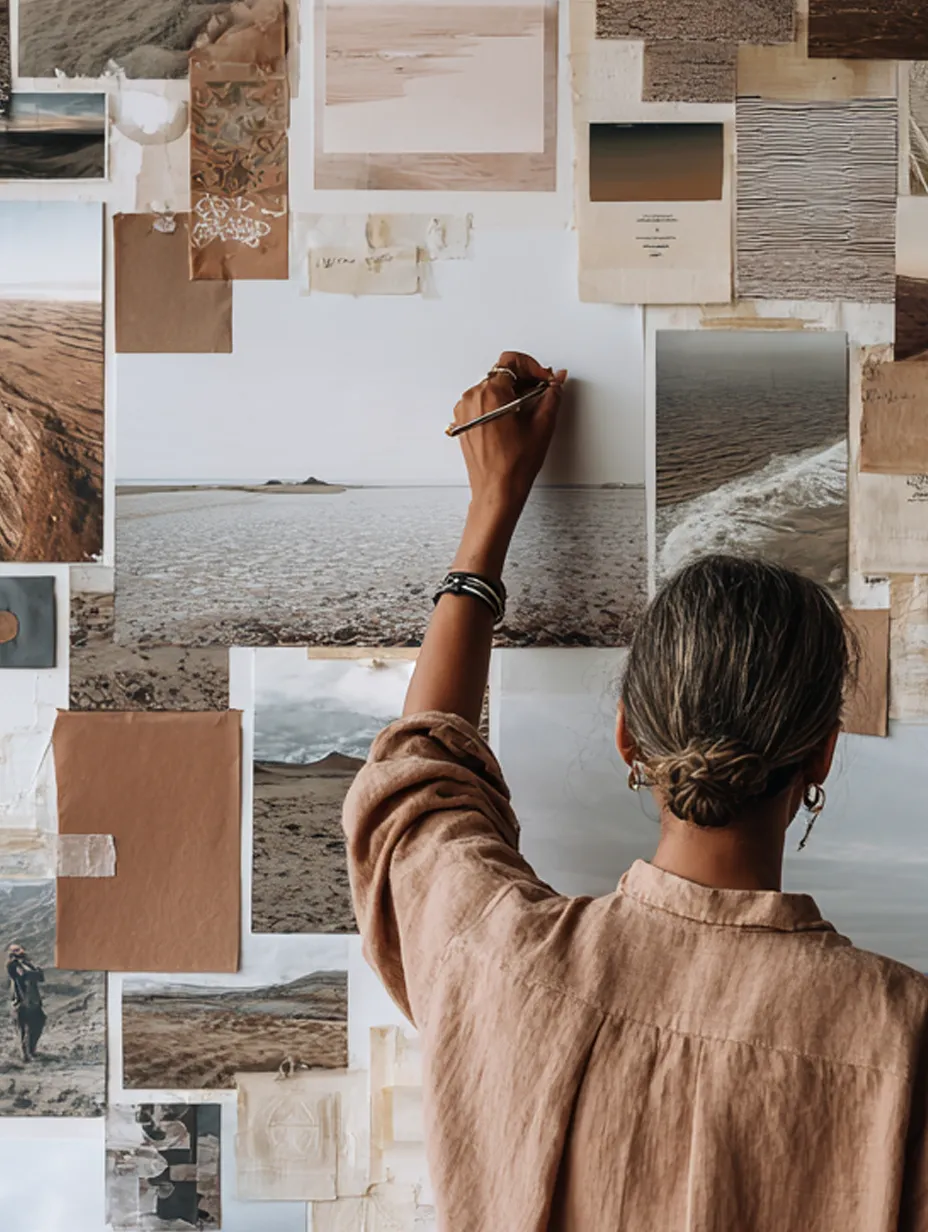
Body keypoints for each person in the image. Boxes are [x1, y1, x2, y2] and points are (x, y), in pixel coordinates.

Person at [342, 352, 928, 1231]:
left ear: (628, 736)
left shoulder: (500, 962)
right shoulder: (904, 1044)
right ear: (822, 759)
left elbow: (415, 778)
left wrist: (492, 509)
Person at [7, 942, 46, 1063]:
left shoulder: (27, 964)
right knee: (24, 1029)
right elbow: (24, 975)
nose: (21, 951)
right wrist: (33, 973)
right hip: (21, 1002)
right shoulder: (13, 965)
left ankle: (31, 1050)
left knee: (39, 1023)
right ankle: (25, 1055)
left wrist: (34, 971)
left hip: (33, 1001)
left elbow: (40, 977)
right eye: (17, 950)